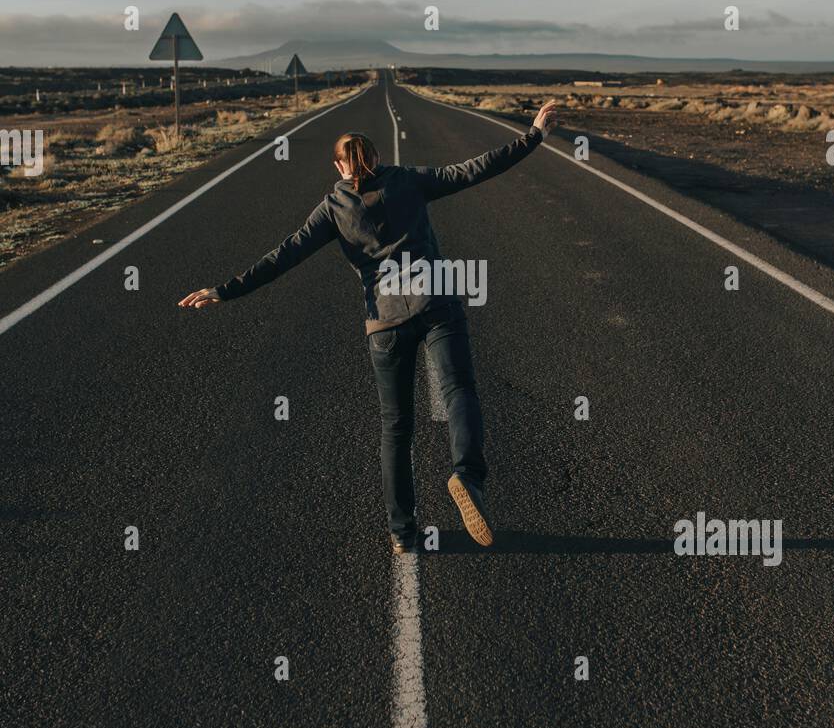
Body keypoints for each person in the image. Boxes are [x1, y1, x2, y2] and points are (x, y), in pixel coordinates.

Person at [179, 97, 557, 556]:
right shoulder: (409, 181)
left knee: (396, 427)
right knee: (459, 391)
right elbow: (475, 168)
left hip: (384, 321)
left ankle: (402, 532)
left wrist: (225, 289)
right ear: (376, 158)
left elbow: (283, 256)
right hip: (436, 299)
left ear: (339, 165)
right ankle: (467, 477)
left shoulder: (333, 208)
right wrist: (533, 135)